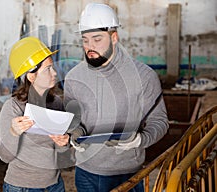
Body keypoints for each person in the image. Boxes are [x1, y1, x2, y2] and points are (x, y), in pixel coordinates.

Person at [64, 3, 169, 192]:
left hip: (129, 173)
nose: (90, 47)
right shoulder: (73, 78)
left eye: (97, 39)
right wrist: (75, 133)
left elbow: (159, 121)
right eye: (85, 40)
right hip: (86, 172)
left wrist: (140, 140)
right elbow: (73, 120)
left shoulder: (144, 76)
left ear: (114, 37)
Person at [0, 36, 72, 192]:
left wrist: (63, 144)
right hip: (21, 187)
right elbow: (4, 157)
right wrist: (13, 132)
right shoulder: (13, 108)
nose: (55, 73)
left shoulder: (56, 103)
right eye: (48, 69)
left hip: (55, 185)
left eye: (53, 67)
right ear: (31, 76)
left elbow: (63, 160)